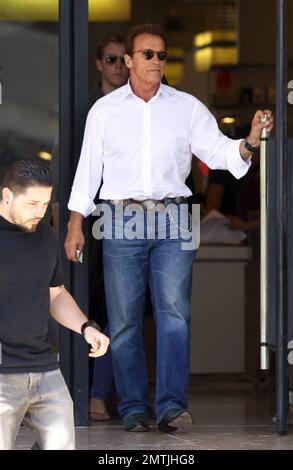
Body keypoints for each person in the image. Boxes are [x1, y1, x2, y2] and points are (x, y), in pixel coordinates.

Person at [65, 23, 274, 433]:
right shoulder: (105, 112)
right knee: (123, 320)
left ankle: (172, 407)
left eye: (162, 55)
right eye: (148, 54)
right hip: (120, 216)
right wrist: (75, 224)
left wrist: (249, 139)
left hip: (176, 217)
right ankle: (133, 408)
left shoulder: (186, 107)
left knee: (174, 316)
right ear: (128, 61)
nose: (157, 61)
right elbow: (88, 173)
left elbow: (219, 154)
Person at [0, 158, 109, 450]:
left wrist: (86, 328)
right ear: (7, 196)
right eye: (32, 203)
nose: (40, 212)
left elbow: (56, 294)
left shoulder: (46, 236)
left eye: (45, 204)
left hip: (45, 371)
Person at [89, 34, 129, 421]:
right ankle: (95, 395)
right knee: (95, 308)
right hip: (89, 222)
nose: (118, 65)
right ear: (99, 63)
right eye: (111, 59)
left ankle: (115, 396)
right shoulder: (83, 106)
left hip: (131, 221)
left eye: (123, 59)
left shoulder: (142, 107)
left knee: (128, 313)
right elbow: (70, 167)